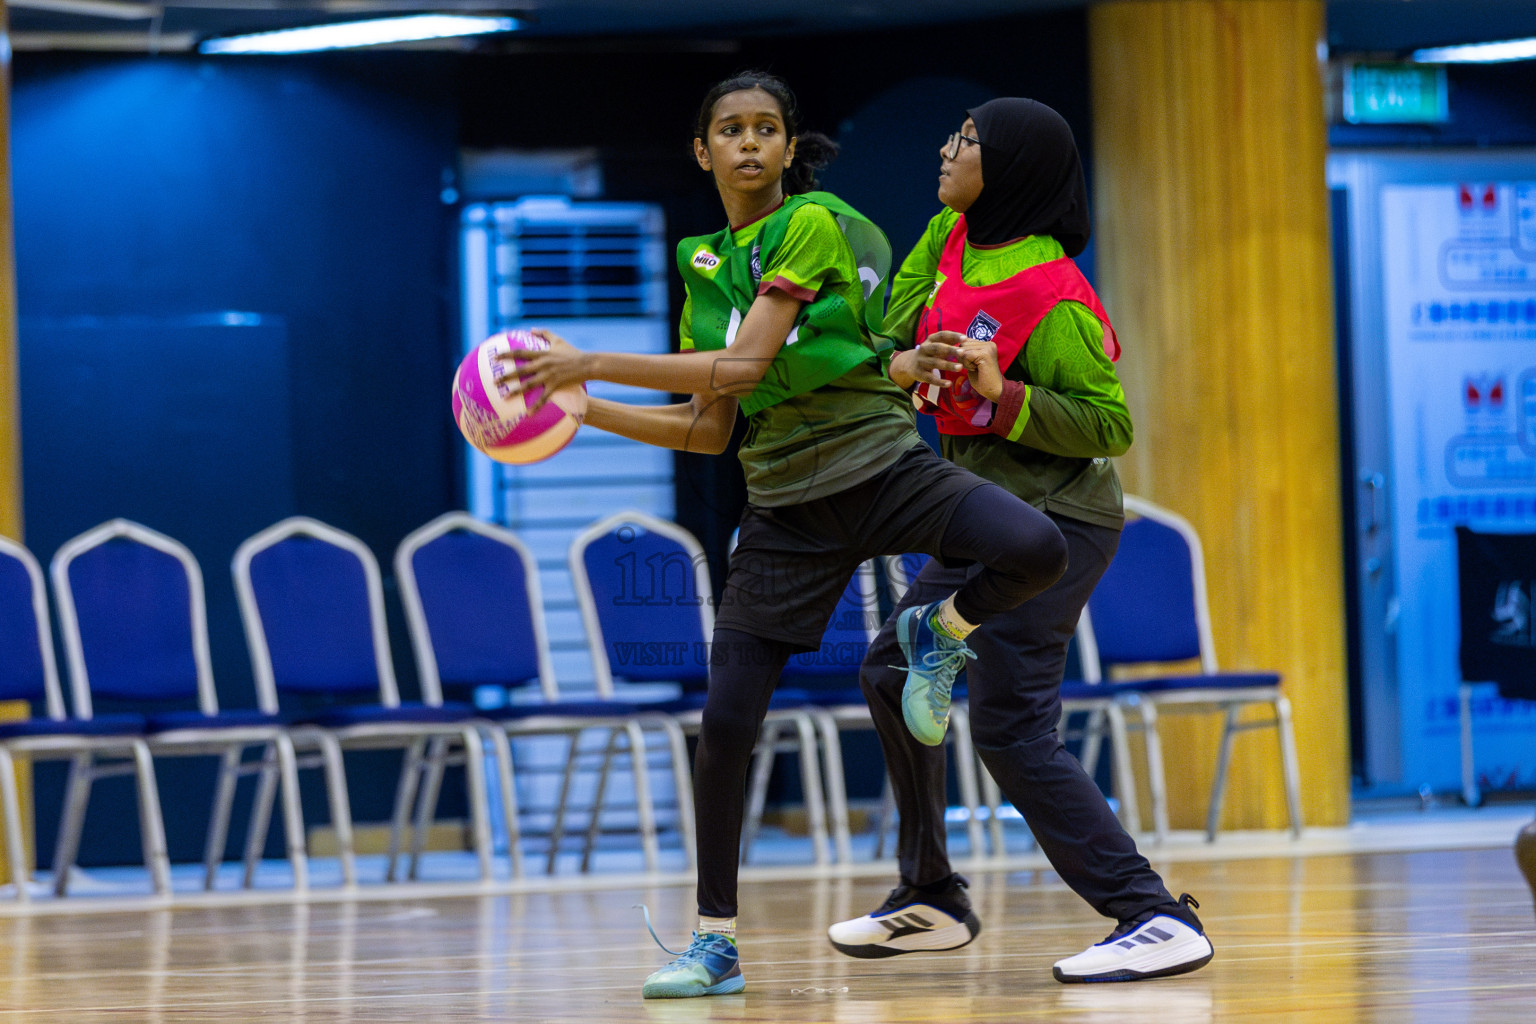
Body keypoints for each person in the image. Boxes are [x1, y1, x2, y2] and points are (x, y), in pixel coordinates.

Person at [503, 73, 1069, 999]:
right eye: (731, 130)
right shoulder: (699, 264)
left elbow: (749, 361)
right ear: (703, 151)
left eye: (767, 129)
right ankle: (713, 941)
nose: (750, 144)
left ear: (789, 148)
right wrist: (585, 407)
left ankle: (940, 634)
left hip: (882, 466)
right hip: (782, 513)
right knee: (725, 722)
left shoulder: (807, 222)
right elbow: (709, 425)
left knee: (1036, 547)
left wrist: (589, 354)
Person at [824, 98, 1215, 983]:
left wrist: (1004, 396)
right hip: (981, 513)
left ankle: (1153, 915)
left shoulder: (1057, 296)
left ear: (1008, 167)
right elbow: (886, 339)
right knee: (890, 670)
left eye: (963, 140)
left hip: (1060, 525)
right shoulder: (949, 238)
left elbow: (1109, 425)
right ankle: (930, 893)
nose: (945, 147)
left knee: (1010, 728)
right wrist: (905, 365)